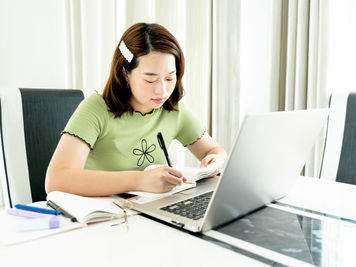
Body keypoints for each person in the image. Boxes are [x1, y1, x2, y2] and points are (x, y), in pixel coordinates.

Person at [45, 23, 227, 197]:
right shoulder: (96, 109)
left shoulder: (174, 110)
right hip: (100, 217)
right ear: (125, 72)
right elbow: (56, 180)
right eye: (150, 80)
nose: (162, 90)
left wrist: (215, 161)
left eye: (170, 78)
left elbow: (214, 150)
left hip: (145, 214)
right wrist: (140, 180)